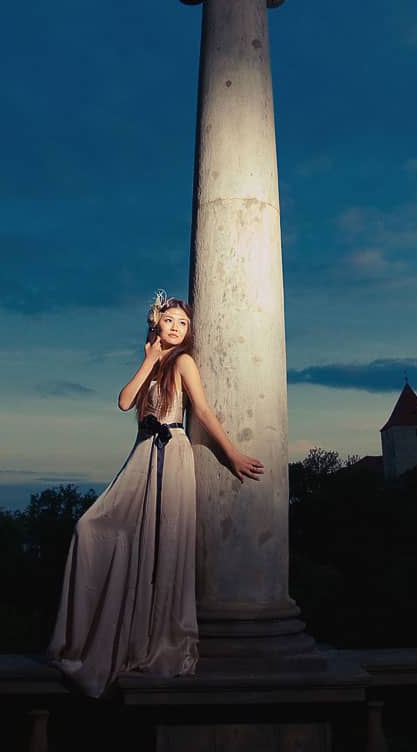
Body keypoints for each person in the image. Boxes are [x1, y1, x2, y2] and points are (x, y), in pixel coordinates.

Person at [47, 291, 264, 698]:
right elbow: (124, 401)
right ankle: (98, 636)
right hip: (142, 455)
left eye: (183, 323)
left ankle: (154, 640)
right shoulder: (154, 364)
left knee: (163, 545)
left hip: (172, 454)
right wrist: (148, 359)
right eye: (170, 321)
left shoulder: (183, 362)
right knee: (90, 527)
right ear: (156, 324)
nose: (177, 328)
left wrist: (232, 454)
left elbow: (201, 410)